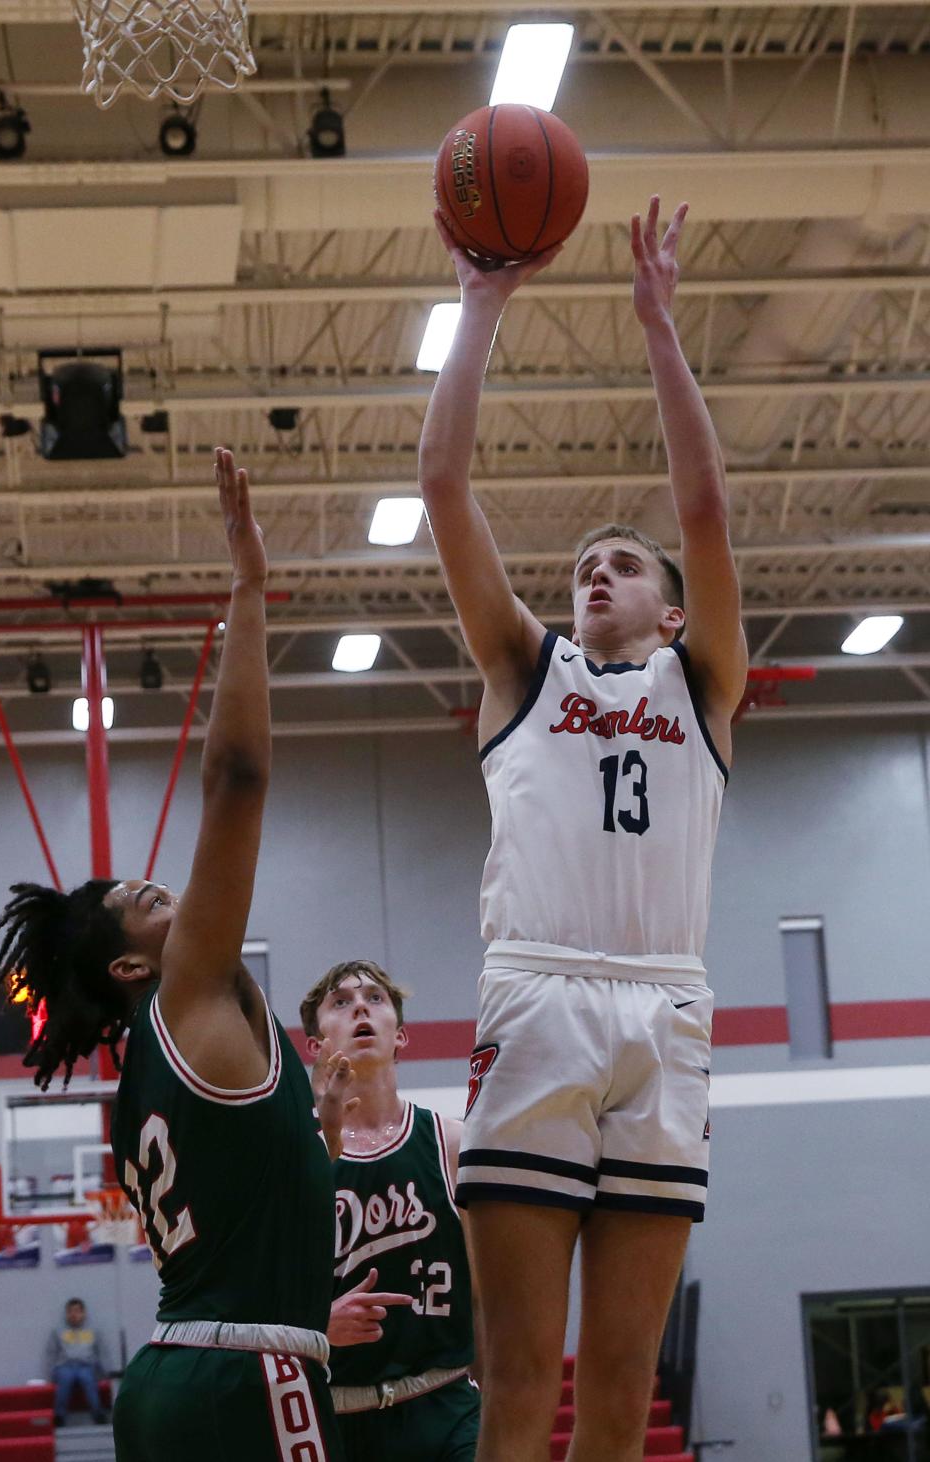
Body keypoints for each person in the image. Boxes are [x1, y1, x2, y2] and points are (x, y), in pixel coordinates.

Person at [418, 196, 748, 1462]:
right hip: (538, 999)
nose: (595, 574)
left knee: (621, 1395)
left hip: (665, 1011)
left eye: (624, 564)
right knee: (516, 1388)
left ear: (670, 612)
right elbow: (443, 485)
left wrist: (661, 330)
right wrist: (481, 303)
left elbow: (708, 512)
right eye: (585, 565)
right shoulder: (524, 670)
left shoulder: (700, 683)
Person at [0, 450, 354, 1462]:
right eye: (136, 905)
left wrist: (316, 1124)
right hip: (250, 1374)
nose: (159, 889)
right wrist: (248, 588)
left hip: (175, 1376)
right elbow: (236, 777)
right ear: (126, 968)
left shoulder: (147, 1082)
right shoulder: (183, 986)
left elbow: (255, 1200)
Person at [301, 959, 480, 1462]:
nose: (360, 1005)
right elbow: (255, 1300)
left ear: (400, 1036)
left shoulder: (452, 1144)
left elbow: (489, 1297)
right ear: (316, 1047)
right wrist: (315, 1325)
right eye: (341, 1001)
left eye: (375, 999)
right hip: (337, 1416)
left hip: (445, 1404)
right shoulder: (297, 1159)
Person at [46, 1297, 107, 1426]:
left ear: (83, 1313)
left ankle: (98, 1413)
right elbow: (51, 1354)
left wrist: (104, 1373)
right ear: (66, 1314)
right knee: (65, 1379)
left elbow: (101, 1353)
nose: (74, 1315)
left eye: (77, 1311)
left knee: (88, 1379)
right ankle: (59, 1416)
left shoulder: (94, 1332)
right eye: (70, 1312)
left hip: (86, 1366)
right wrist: (49, 1375)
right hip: (65, 1366)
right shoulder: (58, 1332)